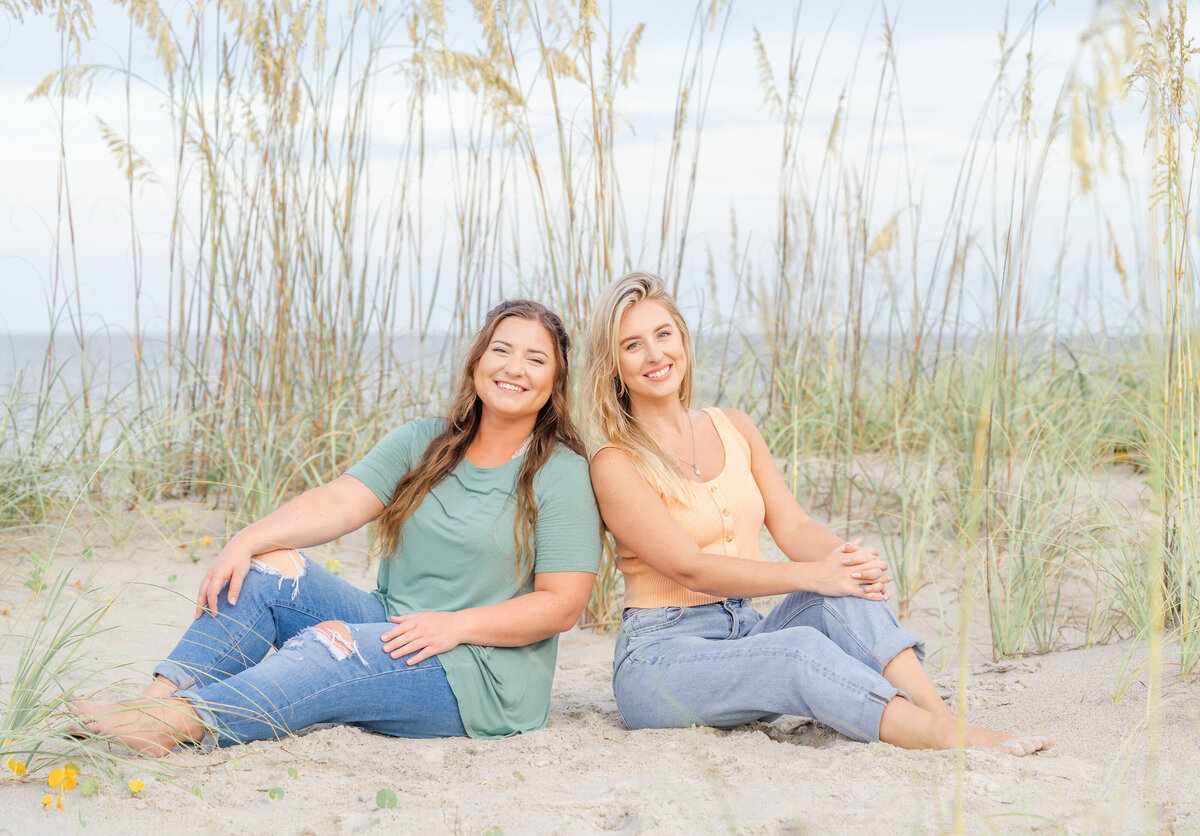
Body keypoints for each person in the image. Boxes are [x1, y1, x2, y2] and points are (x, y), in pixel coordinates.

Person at [75, 300, 601, 755]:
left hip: (477, 673)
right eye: (502, 350)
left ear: (555, 381)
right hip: (393, 625)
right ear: (478, 361)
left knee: (331, 650)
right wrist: (247, 539)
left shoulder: (562, 473)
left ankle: (181, 722)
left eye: (537, 359)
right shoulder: (425, 441)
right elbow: (340, 502)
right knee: (265, 574)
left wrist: (455, 625)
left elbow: (560, 605)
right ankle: (150, 704)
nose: (515, 368)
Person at [581, 271, 1052, 754]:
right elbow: (691, 567)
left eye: (663, 334)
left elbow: (795, 526)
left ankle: (942, 717)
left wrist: (847, 561)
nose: (656, 354)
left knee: (845, 588)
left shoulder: (734, 427)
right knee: (800, 647)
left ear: (682, 337)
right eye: (632, 345)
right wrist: (815, 573)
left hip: (745, 636)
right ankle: (946, 739)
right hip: (662, 661)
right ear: (613, 365)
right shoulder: (616, 461)